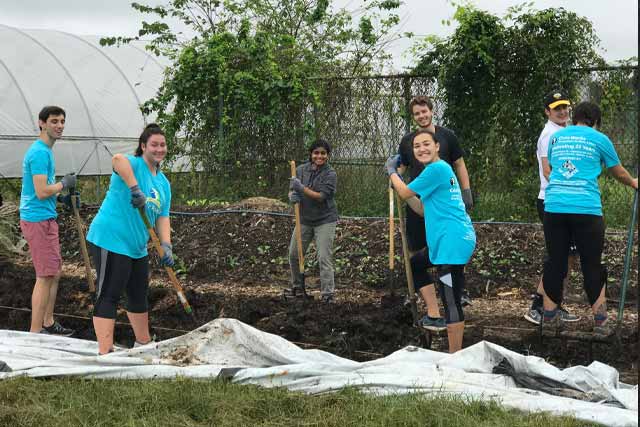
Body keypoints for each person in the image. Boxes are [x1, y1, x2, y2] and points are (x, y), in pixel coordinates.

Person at [541, 101, 638, 333]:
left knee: (556, 262)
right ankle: (601, 321)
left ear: (575, 118)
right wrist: (634, 182)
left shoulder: (557, 138)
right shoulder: (599, 138)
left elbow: (554, 167)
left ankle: (549, 318)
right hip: (586, 209)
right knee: (591, 264)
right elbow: (618, 170)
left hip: (554, 207)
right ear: (596, 121)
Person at [86, 124, 175, 355]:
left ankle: (143, 343)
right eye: (154, 144)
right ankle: (105, 352)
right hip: (111, 238)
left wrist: (166, 245)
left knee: (138, 294)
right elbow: (117, 159)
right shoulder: (134, 165)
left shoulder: (163, 183)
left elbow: (163, 217)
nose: (159, 149)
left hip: (137, 246)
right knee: (110, 293)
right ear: (143, 146)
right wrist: (134, 188)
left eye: (162, 144)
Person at [386, 129, 476, 352]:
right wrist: (402, 193)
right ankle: (433, 315)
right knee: (415, 264)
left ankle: (455, 356)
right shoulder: (434, 173)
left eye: (426, 144)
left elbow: (406, 191)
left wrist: (392, 173)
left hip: (451, 242)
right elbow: (422, 208)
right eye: (417, 146)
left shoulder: (437, 168)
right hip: (446, 240)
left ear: (437, 147)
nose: (422, 149)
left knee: (450, 296)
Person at [397, 95, 472, 331]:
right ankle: (434, 305)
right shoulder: (408, 140)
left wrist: (466, 190)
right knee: (421, 252)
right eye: (417, 113)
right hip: (422, 203)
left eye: (424, 111)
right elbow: (401, 167)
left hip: (442, 206)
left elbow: (459, 163)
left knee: (444, 256)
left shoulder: (446, 137)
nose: (421, 116)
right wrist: (396, 177)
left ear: (431, 111)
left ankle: (452, 295)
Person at [524, 90, 580, 325]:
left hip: (566, 200)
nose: (563, 111)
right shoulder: (549, 134)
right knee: (558, 257)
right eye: (557, 108)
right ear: (548, 112)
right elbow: (547, 170)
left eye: (565, 107)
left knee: (566, 257)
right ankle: (539, 305)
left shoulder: (565, 131)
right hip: (552, 201)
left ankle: (553, 302)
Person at [19, 106, 76, 336]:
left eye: (62, 121)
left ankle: (48, 322)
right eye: (54, 121)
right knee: (44, 276)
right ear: (41, 123)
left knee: (54, 271)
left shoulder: (46, 151)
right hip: (38, 220)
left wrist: (61, 198)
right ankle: (36, 333)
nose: (60, 125)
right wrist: (63, 184)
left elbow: (40, 191)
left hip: (44, 217)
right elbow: (42, 191)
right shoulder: (40, 152)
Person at [286, 139, 338, 303]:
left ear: (328, 155)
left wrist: (301, 188)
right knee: (294, 253)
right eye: (316, 153)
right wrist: (292, 196)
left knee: (323, 257)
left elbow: (321, 196)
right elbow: (291, 190)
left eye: (323, 153)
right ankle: (298, 287)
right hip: (304, 218)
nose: (319, 156)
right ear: (311, 154)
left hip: (325, 219)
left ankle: (328, 294)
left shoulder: (331, 174)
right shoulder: (300, 170)